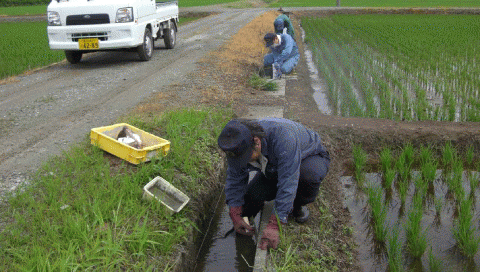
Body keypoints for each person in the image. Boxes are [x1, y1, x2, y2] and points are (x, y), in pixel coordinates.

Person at [217, 118, 330, 250]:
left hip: (308, 157)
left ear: (257, 142)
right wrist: (235, 211)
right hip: (273, 165)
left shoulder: (284, 138)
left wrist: (275, 223)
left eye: (245, 158)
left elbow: (289, 181)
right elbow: (235, 178)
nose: (242, 162)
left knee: (308, 177)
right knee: (251, 199)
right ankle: (249, 221)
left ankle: (297, 206)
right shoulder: (237, 143)